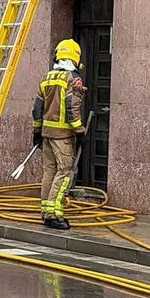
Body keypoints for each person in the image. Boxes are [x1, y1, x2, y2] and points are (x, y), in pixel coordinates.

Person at [31, 39, 86, 230]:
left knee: (49, 172)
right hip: (63, 136)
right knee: (65, 173)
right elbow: (73, 108)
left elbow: (37, 109)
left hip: (46, 134)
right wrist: (80, 131)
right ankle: (54, 214)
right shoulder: (73, 79)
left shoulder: (47, 78)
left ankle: (45, 211)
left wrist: (37, 132)